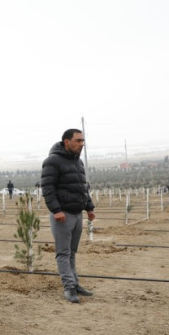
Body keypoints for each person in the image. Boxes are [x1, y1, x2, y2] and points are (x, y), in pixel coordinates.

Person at [41, 129, 96, 304]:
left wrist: (89, 207)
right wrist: (56, 210)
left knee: (72, 252)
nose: (82, 144)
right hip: (62, 215)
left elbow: (82, 187)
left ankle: (75, 283)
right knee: (63, 253)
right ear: (66, 142)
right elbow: (48, 188)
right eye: (78, 140)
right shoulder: (52, 161)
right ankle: (69, 287)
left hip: (77, 213)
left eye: (83, 140)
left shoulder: (78, 162)